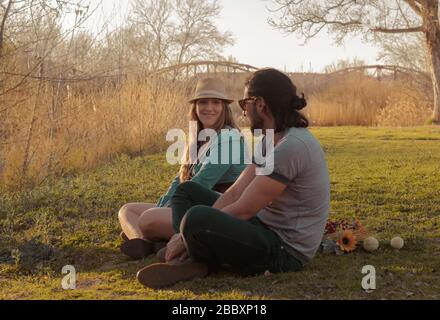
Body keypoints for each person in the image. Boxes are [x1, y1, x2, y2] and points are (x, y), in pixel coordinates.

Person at [136, 68, 331, 289]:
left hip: (283, 250)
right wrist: (188, 231)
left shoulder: (291, 146)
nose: (243, 112)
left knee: (195, 218)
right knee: (187, 191)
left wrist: (183, 234)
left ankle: (194, 257)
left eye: (243, 103)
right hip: (262, 227)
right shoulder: (271, 138)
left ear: (260, 104)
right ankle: (196, 258)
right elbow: (236, 192)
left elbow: (244, 209)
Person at [118, 78, 247, 260]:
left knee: (147, 219)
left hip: (214, 207)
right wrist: (163, 205)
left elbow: (202, 182)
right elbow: (180, 178)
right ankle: (146, 243)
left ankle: (154, 237)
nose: (209, 108)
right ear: (194, 107)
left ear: (224, 108)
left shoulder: (229, 138)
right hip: (188, 205)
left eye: (216, 102)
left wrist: (167, 210)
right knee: (127, 211)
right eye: (203, 102)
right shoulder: (197, 138)